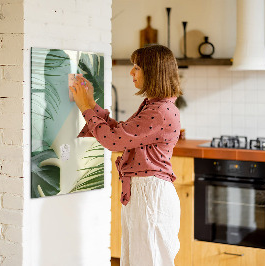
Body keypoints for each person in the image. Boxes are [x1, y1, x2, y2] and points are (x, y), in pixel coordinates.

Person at [69, 44, 182, 266]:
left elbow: (113, 141)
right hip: (144, 193)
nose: (131, 72)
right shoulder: (155, 106)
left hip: (150, 195)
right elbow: (121, 134)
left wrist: (85, 108)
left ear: (153, 71)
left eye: (137, 67)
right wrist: (91, 104)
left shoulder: (159, 111)